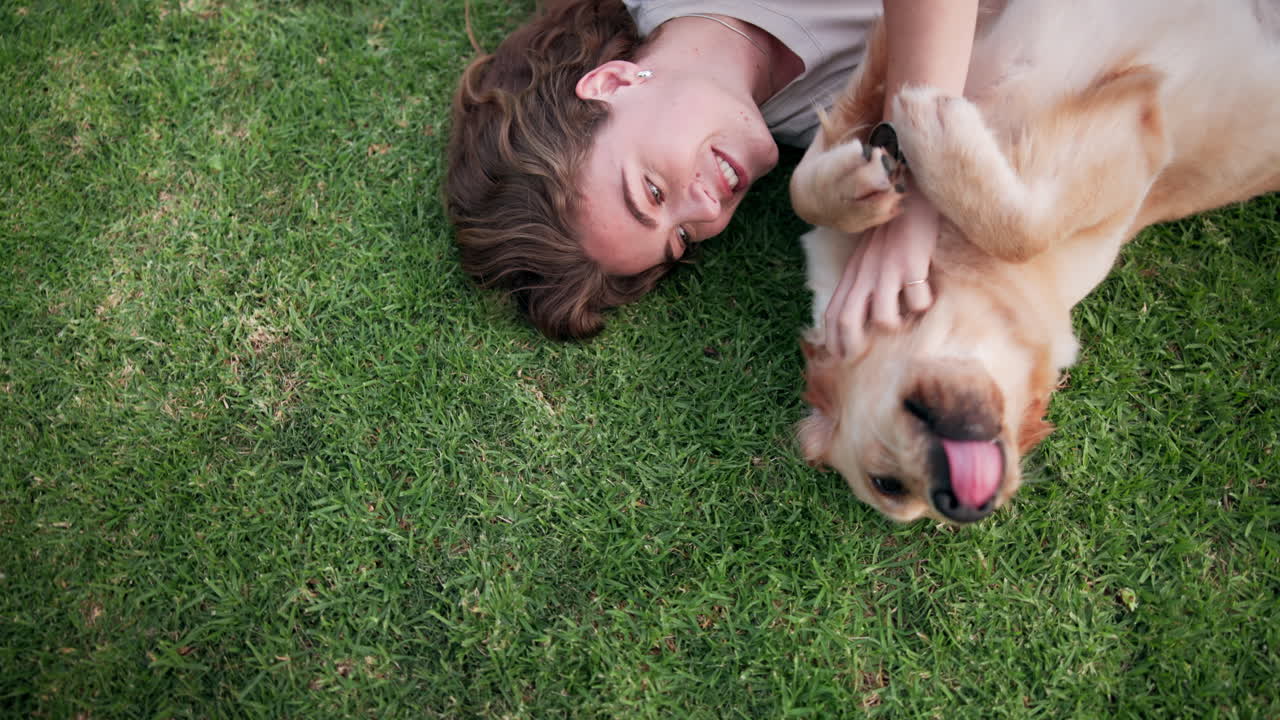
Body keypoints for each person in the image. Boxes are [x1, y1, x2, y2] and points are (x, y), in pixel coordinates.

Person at [445, 0, 979, 348]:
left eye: (651, 191)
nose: (706, 211)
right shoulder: (815, 129)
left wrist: (921, 176)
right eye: (681, 237)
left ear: (611, 84)